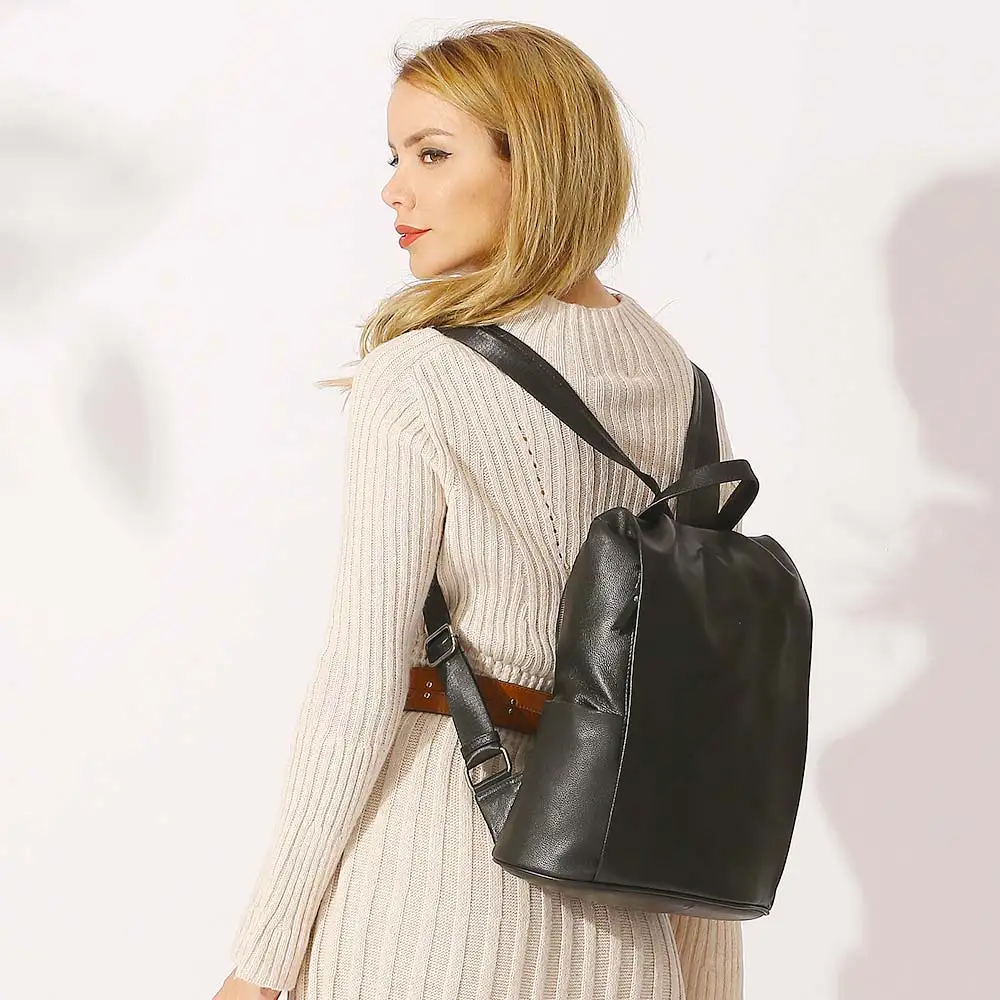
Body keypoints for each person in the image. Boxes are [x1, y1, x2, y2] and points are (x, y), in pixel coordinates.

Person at [212, 19, 743, 1000]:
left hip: (427, 903)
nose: (394, 189)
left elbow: (359, 685)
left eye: (431, 153)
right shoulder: (681, 380)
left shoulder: (419, 374)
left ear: (532, 163)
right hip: (627, 928)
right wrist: (710, 984)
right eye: (395, 157)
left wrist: (263, 960)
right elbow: (701, 714)